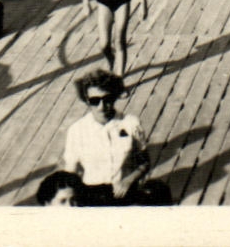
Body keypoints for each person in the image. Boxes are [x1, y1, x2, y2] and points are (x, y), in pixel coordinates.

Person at [60, 70, 169, 205]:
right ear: (87, 101)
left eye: (107, 99)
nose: (101, 107)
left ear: (115, 97)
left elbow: (144, 162)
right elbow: (71, 173)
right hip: (92, 196)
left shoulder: (131, 123)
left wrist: (127, 181)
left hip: (125, 192)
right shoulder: (76, 131)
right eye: (95, 101)